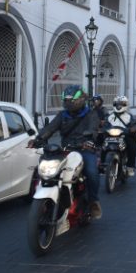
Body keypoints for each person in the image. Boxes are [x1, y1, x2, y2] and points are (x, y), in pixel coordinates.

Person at [29, 85, 102, 220]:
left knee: (92, 172)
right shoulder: (62, 115)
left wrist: (90, 139)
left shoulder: (90, 114)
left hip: (85, 149)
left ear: (80, 100)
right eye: (66, 101)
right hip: (66, 150)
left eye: (71, 100)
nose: (68, 103)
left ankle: (93, 202)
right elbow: (50, 128)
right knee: (46, 168)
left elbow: (93, 129)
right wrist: (38, 139)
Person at [107, 95, 136, 176]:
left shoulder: (129, 116)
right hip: (111, 136)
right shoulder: (110, 116)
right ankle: (101, 163)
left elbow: (133, 125)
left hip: (124, 136)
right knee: (101, 146)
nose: (119, 106)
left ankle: (130, 167)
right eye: (117, 104)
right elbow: (105, 125)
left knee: (132, 148)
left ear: (125, 105)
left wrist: (133, 128)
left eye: (121, 104)